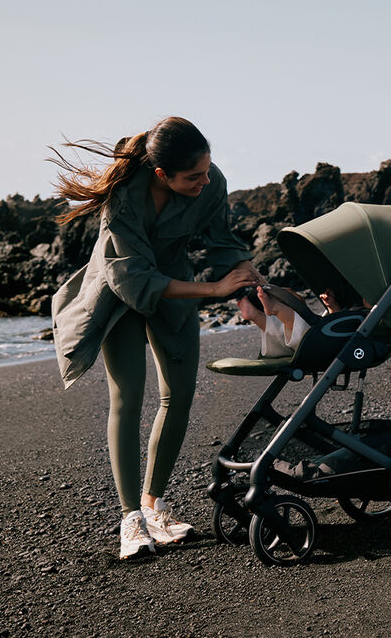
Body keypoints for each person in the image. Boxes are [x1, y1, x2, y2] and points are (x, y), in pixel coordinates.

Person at [48, 117, 263, 560]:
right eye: (193, 177)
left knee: (179, 394)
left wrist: (245, 290)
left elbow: (221, 240)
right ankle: (131, 519)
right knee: (127, 397)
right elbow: (132, 277)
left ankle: (154, 506)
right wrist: (213, 291)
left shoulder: (210, 181)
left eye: (207, 170)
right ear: (162, 173)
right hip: (118, 293)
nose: (205, 182)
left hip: (174, 290)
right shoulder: (123, 198)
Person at [236, 283, 366, 358]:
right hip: (328, 337)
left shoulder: (370, 314)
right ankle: (261, 314)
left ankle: (271, 310)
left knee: (301, 328)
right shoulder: (359, 310)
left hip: (320, 342)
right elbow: (339, 326)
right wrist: (333, 307)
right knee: (288, 329)